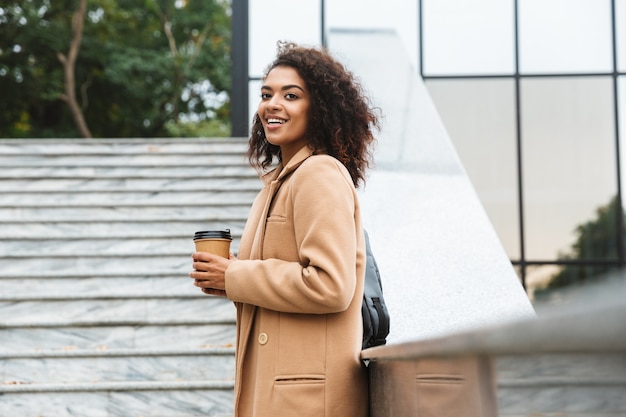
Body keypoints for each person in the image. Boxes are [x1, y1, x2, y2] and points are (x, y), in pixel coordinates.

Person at [189, 41, 380, 417]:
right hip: (285, 389)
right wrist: (227, 277)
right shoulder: (279, 182)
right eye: (266, 94)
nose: (272, 104)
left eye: (290, 95)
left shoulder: (319, 173)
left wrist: (237, 274)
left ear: (320, 107)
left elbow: (330, 285)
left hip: (308, 398)